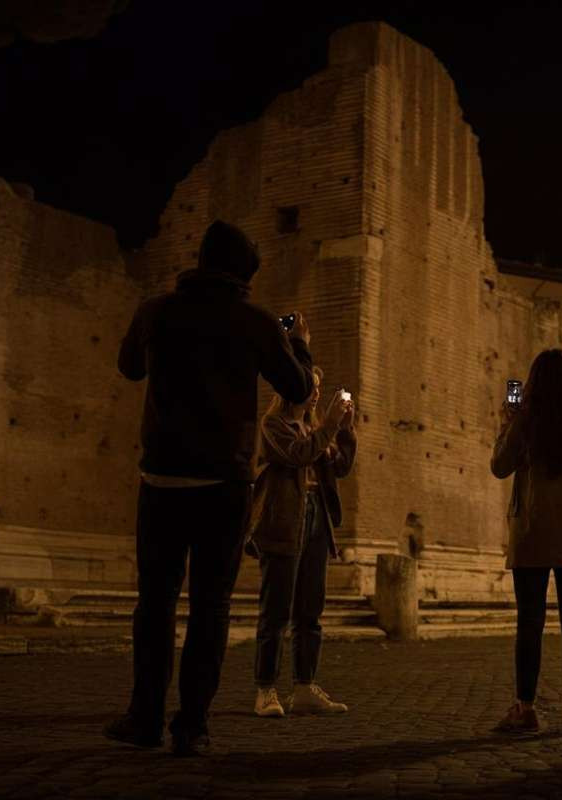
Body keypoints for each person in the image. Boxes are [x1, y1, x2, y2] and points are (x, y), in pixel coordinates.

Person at [106, 220, 316, 757]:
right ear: (245, 274)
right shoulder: (255, 321)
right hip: (224, 485)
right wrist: (296, 345)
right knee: (209, 607)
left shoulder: (157, 309)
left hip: (161, 480)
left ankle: (144, 717)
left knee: (154, 604)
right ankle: (192, 727)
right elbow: (294, 387)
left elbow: (129, 367)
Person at [490, 348, 562, 734]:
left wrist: (508, 422)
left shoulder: (525, 424)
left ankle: (526, 708)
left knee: (530, 624)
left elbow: (498, 467)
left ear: (532, 385)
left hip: (533, 533)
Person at [249, 367, 356, 717]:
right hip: (284, 520)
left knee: (310, 609)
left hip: (316, 519)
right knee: (276, 611)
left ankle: (304, 686)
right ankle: (265, 689)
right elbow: (298, 455)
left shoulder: (314, 428)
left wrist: (345, 430)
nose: (316, 393)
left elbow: (338, 467)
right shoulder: (273, 426)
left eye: (320, 387)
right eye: (311, 386)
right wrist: (328, 425)